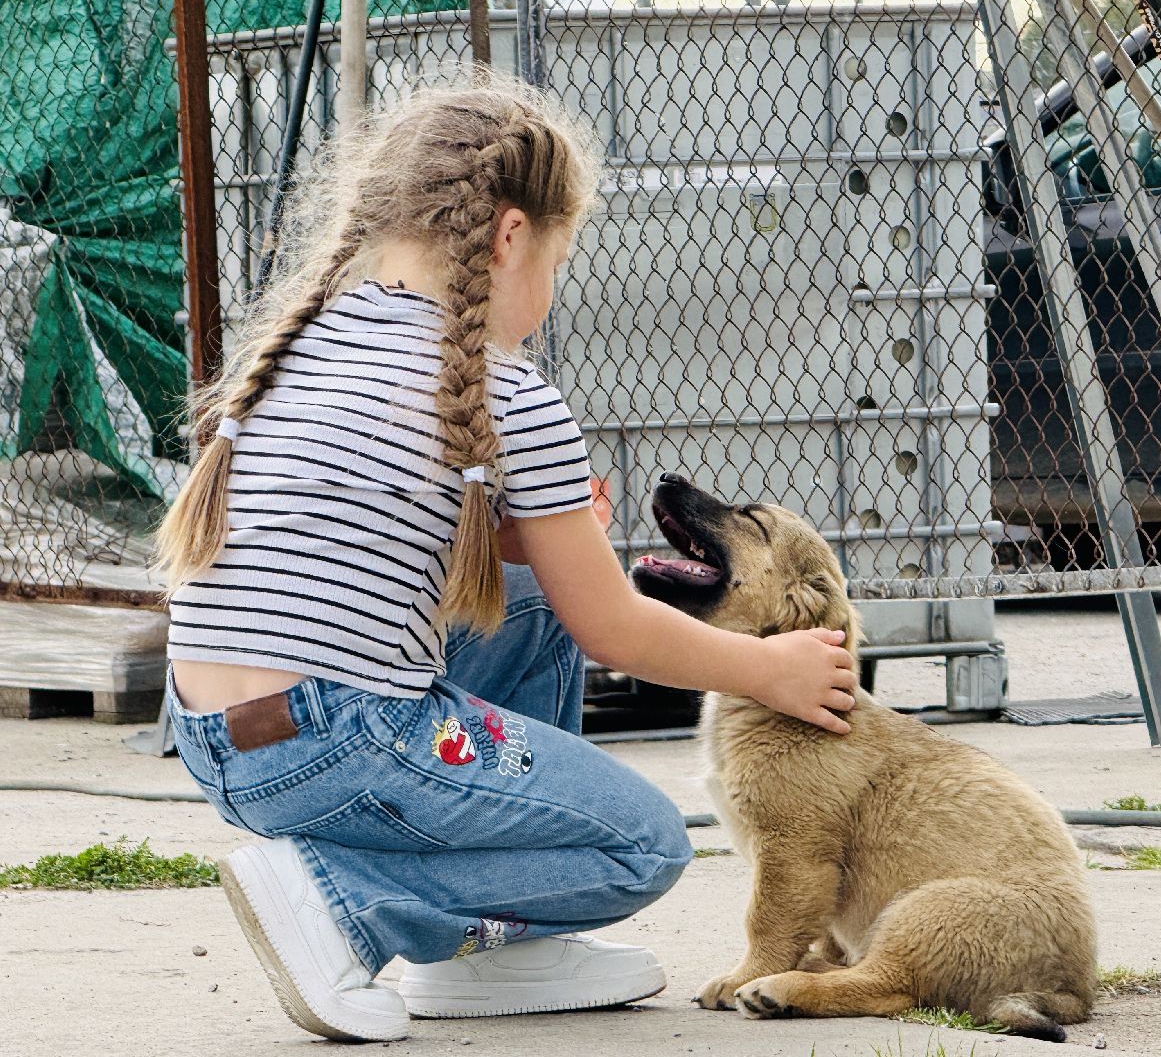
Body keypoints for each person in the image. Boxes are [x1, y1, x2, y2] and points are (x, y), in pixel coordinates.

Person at [153, 76, 857, 1043]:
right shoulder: (504, 391)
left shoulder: (299, 345)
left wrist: (516, 534)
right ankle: (340, 903)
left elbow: (370, 536)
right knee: (637, 845)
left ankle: (494, 957)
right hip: (345, 735)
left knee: (526, 603)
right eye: (559, 259)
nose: (552, 291)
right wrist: (767, 669)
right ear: (512, 237)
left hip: (213, 733)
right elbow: (611, 624)